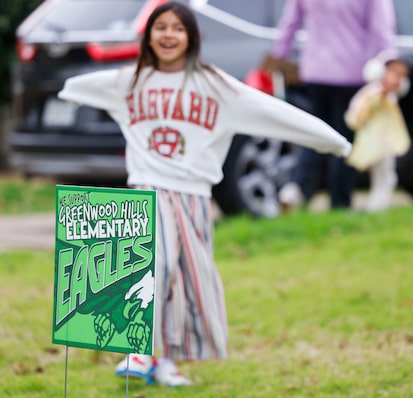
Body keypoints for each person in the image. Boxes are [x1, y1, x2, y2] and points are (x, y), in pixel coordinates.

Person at [58, 2, 352, 387]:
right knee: (155, 264)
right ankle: (137, 348)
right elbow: (86, 85)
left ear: (192, 38)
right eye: (159, 27)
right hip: (148, 189)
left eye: (177, 28)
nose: (168, 35)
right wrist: (71, 93)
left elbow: (276, 113)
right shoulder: (129, 82)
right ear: (147, 36)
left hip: (195, 196)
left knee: (184, 280)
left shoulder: (216, 87)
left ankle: (167, 362)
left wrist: (334, 143)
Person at [266, 0, 397, 210]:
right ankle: (340, 202)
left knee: (315, 133)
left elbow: (289, 23)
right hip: (352, 72)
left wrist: (279, 57)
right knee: (344, 140)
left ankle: (298, 189)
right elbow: (381, 29)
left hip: (315, 71)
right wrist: (388, 63)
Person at [345, 54, 410, 212]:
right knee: (385, 178)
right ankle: (376, 210)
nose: (398, 79)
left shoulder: (390, 95)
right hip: (376, 142)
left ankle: (377, 209)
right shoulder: (373, 93)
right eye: (394, 73)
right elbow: (354, 117)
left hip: (384, 142)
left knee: (386, 177)